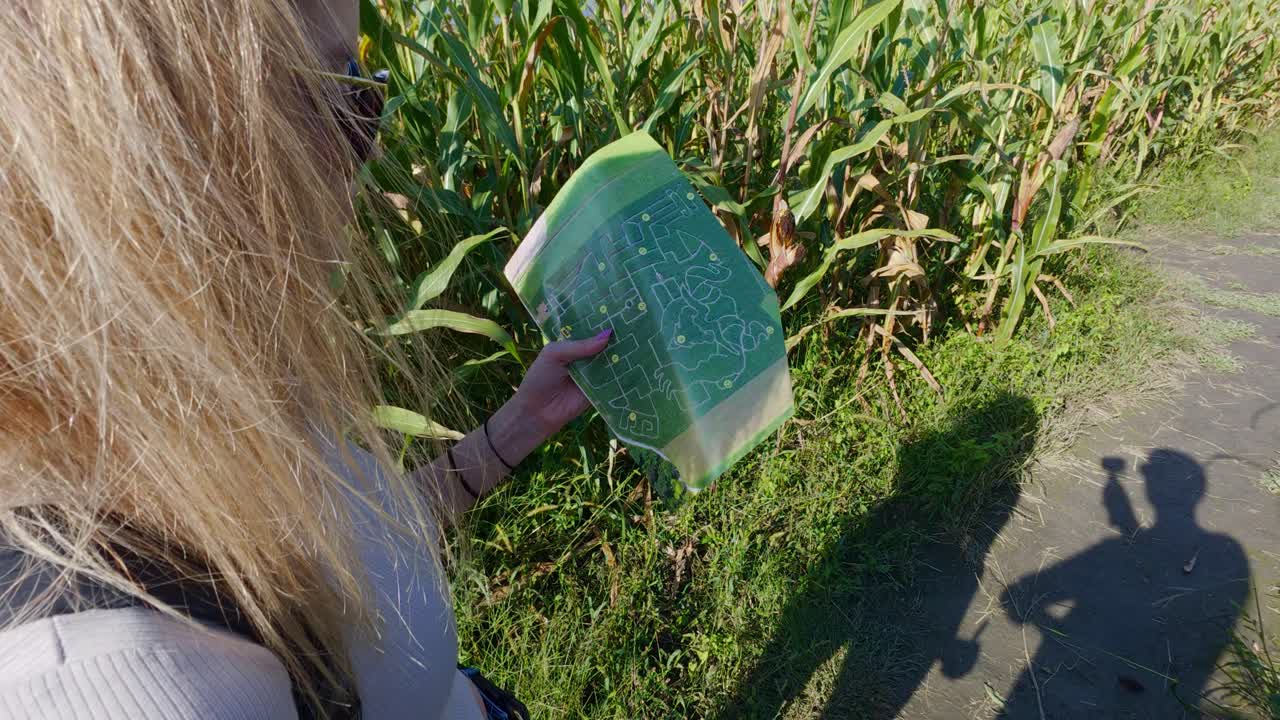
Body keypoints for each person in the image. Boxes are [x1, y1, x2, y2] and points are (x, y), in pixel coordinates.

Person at [0, 1, 609, 718]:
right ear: (159, 152)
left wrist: (514, 429)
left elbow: (343, 558)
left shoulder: (196, 375)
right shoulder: (125, 675)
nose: (373, 146)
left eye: (369, 92)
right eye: (344, 95)